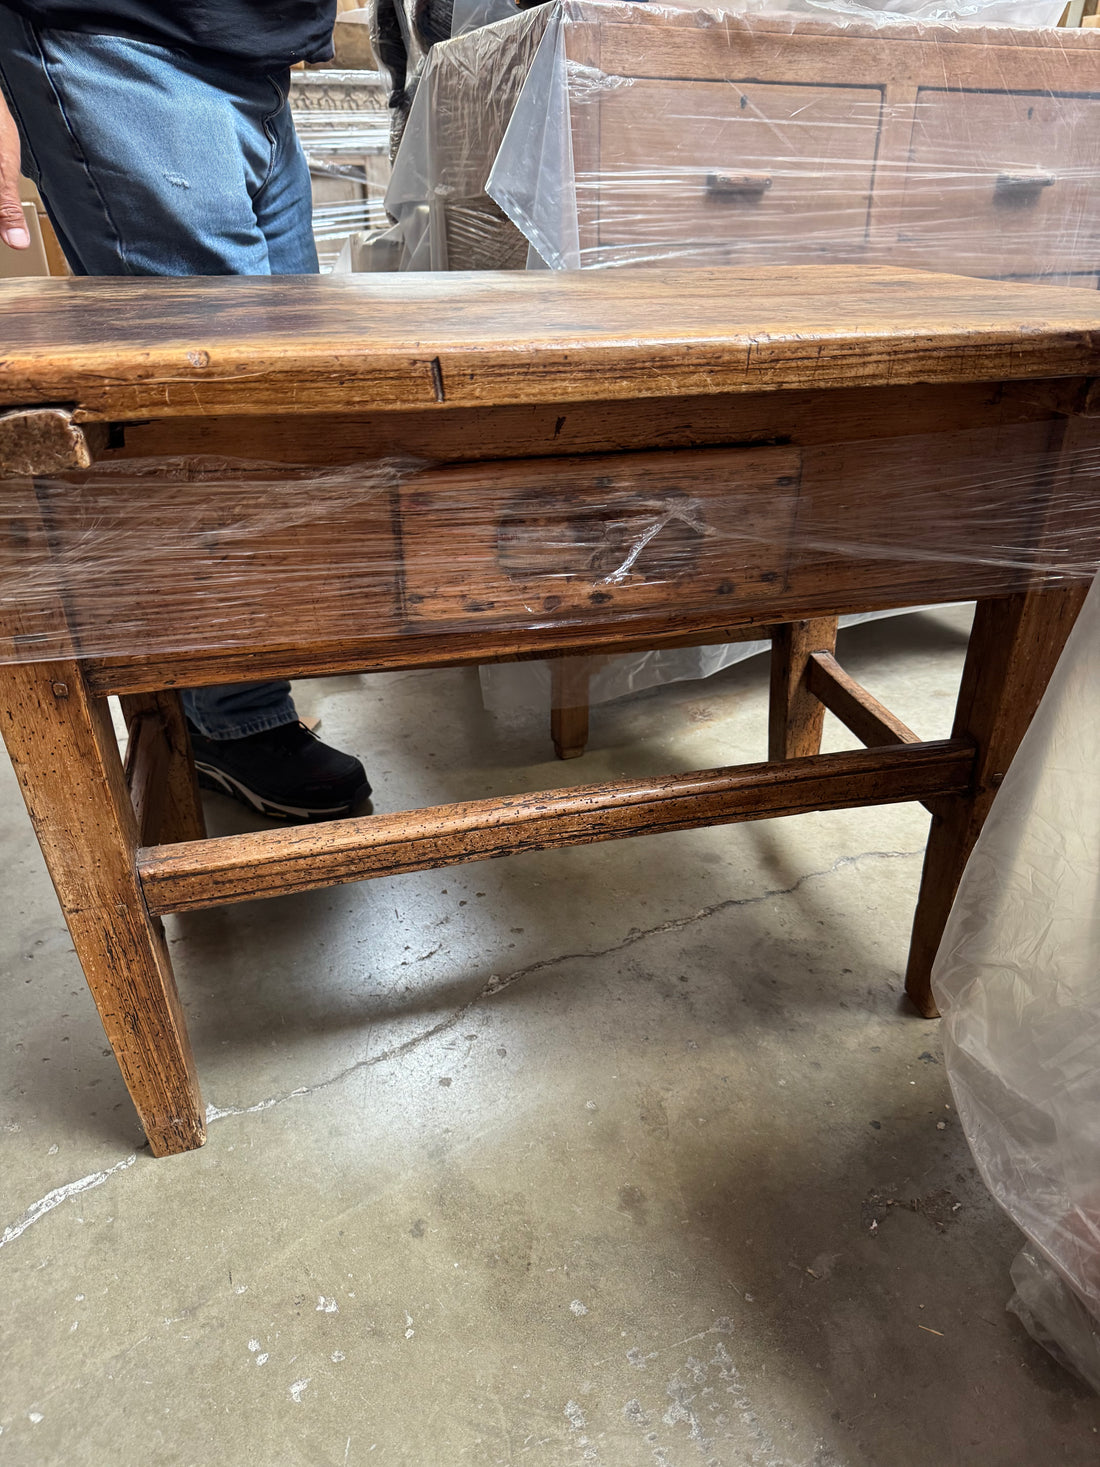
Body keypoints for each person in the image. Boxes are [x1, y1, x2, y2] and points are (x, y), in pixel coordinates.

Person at [0, 0, 372, 822]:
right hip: (118, 41)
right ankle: (234, 721)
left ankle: (240, 688)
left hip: (255, 56)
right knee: (213, 421)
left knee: (285, 403)